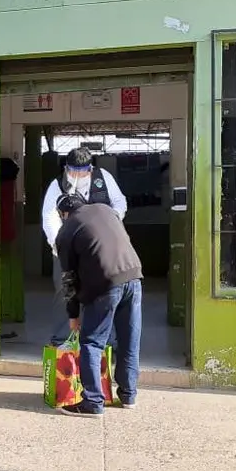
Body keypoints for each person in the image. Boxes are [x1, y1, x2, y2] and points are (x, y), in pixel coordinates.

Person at [54, 192, 142, 418]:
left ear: (64, 213)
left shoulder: (66, 230)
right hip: (134, 277)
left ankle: (92, 402)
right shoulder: (106, 210)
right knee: (129, 340)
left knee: (92, 343)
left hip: (106, 284)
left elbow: (69, 280)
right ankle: (128, 395)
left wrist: (73, 316)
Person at [41, 147, 127, 347]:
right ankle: (62, 340)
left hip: (100, 248)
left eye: (83, 171)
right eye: (73, 171)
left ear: (90, 168)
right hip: (69, 246)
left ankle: (103, 342)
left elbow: (119, 203)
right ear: (66, 168)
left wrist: (110, 222)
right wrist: (58, 244)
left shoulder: (103, 178)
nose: (78, 175)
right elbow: (49, 216)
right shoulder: (58, 185)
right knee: (65, 292)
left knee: (103, 292)